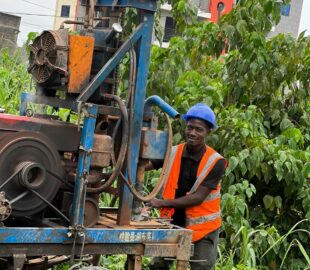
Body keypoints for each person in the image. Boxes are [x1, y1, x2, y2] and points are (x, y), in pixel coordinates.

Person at [148, 103, 226, 270]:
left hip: (203, 229)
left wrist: (161, 203)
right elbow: (145, 164)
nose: (192, 133)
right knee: (157, 266)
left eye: (199, 129)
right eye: (190, 128)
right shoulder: (173, 152)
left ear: (208, 132)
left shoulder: (216, 162)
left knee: (201, 268)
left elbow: (198, 198)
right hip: (173, 222)